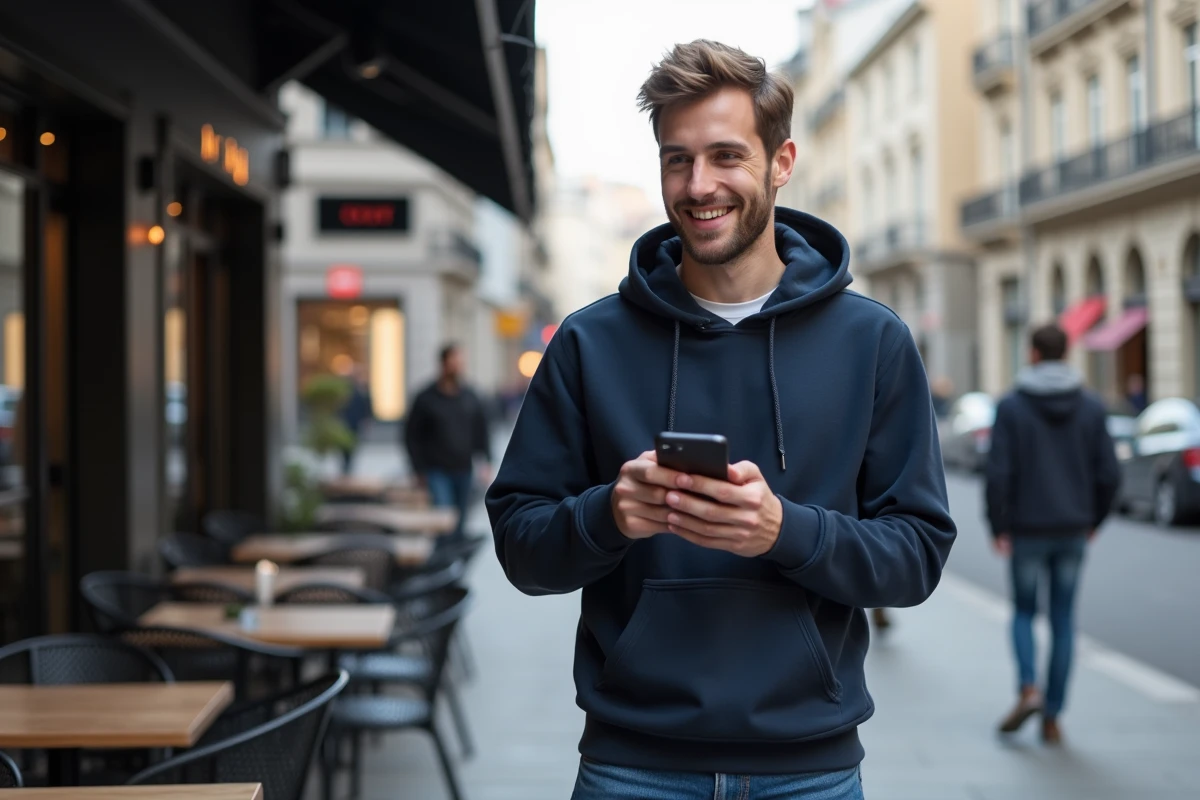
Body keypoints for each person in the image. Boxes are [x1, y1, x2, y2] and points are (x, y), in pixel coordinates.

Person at [486, 40, 956, 799]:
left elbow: (917, 556)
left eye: (726, 156)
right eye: (677, 159)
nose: (699, 185)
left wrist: (783, 532)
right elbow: (520, 547)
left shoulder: (872, 341)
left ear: (782, 161)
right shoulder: (588, 341)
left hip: (810, 769)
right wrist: (609, 514)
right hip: (629, 765)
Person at [985, 323, 1120, 745]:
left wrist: (998, 524)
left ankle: (1028, 688)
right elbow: (1109, 475)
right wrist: (1093, 520)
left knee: (1025, 612)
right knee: (1063, 620)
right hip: (1072, 528)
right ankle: (1053, 716)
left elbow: (999, 473)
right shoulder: (1091, 406)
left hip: (1027, 528)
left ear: (1033, 354)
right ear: (1066, 353)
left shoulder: (1011, 406)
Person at [405, 343, 492, 539]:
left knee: (461, 519)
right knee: (443, 517)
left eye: (460, 362)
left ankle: (454, 561)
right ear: (443, 364)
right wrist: (418, 469)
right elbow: (411, 436)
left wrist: (486, 461)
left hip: (463, 468)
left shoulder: (470, 396)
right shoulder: (425, 398)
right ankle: (442, 558)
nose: (458, 366)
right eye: (454, 362)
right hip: (436, 470)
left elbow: (481, 430)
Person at [338, 364, 373, 475]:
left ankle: (348, 467)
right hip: (346, 422)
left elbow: (367, 405)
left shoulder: (362, 389)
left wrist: (367, 419)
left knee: (352, 446)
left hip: (356, 422)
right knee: (345, 446)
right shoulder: (346, 390)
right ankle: (345, 466)